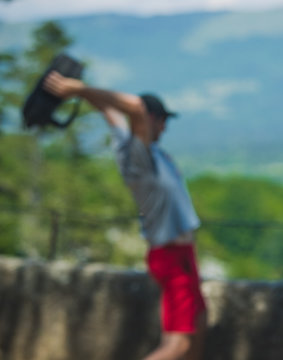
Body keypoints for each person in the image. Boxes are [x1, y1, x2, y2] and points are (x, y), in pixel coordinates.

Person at [43, 71, 207, 360]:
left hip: (178, 255)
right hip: (172, 255)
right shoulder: (139, 157)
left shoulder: (134, 148)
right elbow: (133, 107)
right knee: (178, 345)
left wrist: (83, 93)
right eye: (162, 120)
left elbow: (109, 110)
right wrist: (81, 89)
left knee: (195, 333)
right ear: (150, 120)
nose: (165, 128)